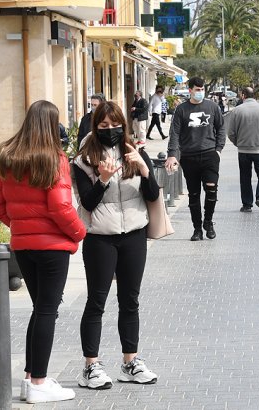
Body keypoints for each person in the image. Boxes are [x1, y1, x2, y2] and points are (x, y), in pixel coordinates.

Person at [0, 100, 86, 404]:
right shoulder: (53, 158)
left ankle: (31, 378)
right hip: (52, 246)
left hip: (24, 246)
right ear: (51, 124)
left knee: (40, 308)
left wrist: (21, 225)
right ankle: (40, 382)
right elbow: (60, 206)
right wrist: (79, 232)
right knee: (47, 310)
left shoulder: (8, 156)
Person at [72, 101, 160, 390]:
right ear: (95, 127)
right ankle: (90, 366)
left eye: (115, 125)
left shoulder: (135, 152)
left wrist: (145, 170)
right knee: (97, 301)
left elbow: (152, 194)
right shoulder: (84, 159)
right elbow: (87, 202)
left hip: (134, 233)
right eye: (104, 126)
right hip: (100, 237)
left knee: (130, 300)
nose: (111, 130)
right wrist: (103, 179)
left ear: (124, 125)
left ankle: (130, 361)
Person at [165, 77, 226, 241]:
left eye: (202, 89)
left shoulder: (212, 107)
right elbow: (175, 133)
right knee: (193, 194)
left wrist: (218, 150)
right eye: (197, 89)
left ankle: (208, 221)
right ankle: (197, 228)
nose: (200, 92)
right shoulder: (181, 110)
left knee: (211, 188)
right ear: (190, 90)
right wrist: (172, 154)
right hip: (189, 156)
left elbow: (221, 128)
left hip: (210, 155)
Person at [226, 87, 259, 214]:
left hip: (243, 150)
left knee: (245, 177)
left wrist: (238, 143)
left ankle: (247, 204)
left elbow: (230, 132)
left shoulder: (237, 111)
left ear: (243, 95)